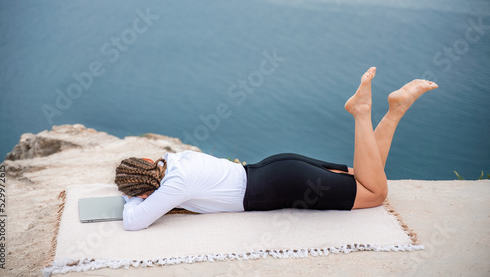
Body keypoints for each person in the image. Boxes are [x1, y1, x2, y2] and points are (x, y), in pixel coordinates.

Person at [115, 67, 438, 231]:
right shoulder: (176, 161)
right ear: (148, 162)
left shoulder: (175, 187)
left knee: (375, 194)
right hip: (274, 166)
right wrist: (137, 186)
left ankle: (362, 112)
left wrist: (132, 197)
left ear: (146, 190)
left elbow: (134, 222)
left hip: (280, 185)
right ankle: (396, 109)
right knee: (368, 175)